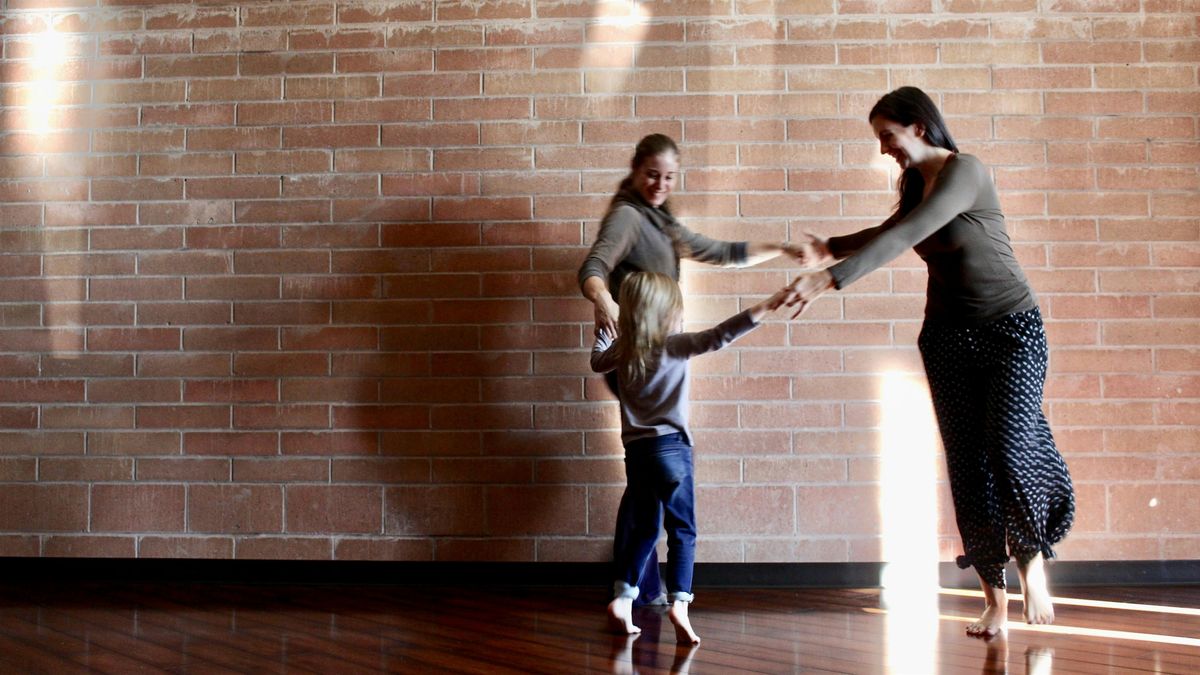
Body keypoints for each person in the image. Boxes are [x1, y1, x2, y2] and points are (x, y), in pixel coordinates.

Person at [783, 87, 1074, 638]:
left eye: (887, 137)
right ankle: (994, 601)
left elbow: (911, 234)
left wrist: (831, 277)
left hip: (1012, 328)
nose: (884, 149)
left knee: (1009, 442)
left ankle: (1032, 556)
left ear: (919, 126)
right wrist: (831, 246)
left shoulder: (966, 172)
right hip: (946, 338)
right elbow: (892, 230)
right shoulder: (916, 185)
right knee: (968, 466)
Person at [579, 133, 801, 606]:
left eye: (669, 177)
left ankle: (636, 584)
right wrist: (604, 305)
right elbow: (594, 267)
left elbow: (719, 252)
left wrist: (781, 248)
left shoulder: (663, 222)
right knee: (656, 469)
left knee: (644, 475)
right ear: (636, 169)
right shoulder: (629, 216)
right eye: (652, 174)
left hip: (645, 350)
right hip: (640, 352)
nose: (660, 184)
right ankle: (641, 584)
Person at [591, 271, 791, 643]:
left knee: (645, 529)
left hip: (636, 454)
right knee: (682, 530)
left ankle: (623, 598)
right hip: (673, 451)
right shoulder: (672, 345)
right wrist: (764, 307)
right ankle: (679, 603)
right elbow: (718, 336)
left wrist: (603, 330)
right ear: (667, 313)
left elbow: (597, 361)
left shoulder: (623, 350)